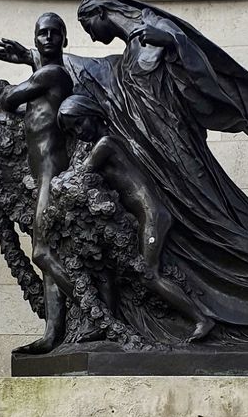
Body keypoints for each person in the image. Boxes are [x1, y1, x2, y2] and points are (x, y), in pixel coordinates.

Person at [0, 0, 248, 345]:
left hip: (176, 150)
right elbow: (91, 72)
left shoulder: (154, 34)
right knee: (197, 234)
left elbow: (197, 69)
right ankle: (237, 305)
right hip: (154, 157)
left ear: (102, 13)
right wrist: (30, 58)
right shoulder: (130, 51)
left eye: (90, 26)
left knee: (215, 221)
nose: (92, 35)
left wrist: (175, 45)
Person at [57, 94, 215, 342]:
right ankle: (110, 322)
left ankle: (201, 319)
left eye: (78, 123)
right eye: (71, 130)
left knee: (149, 274)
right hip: (145, 216)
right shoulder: (107, 142)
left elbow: (78, 175)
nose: (78, 132)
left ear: (92, 114)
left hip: (153, 215)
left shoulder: (105, 144)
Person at [0, 13, 74, 353]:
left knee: (41, 251)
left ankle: (98, 311)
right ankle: (53, 334)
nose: (48, 38)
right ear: (36, 39)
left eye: (55, 33)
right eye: (42, 33)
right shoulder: (47, 70)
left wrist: (28, 63)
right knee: (50, 256)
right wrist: (27, 57)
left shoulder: (52, 74)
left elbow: (8, 99)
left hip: (52, 175)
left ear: (64, 40)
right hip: (41, 176)